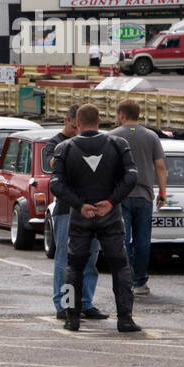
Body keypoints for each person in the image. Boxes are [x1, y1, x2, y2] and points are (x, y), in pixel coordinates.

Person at [50, 104, 141, 333]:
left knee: (73, 267)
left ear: (77, 123)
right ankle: (125, 319)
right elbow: (131, 177)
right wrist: (111, 201)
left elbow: (55, 184)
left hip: (81, 217)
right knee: (120, 266)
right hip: (109, 215)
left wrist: (80, 205)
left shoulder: (65, 147)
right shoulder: (117, 144)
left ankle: (72, 318)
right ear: (99, 122)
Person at [48, 104, 104, 322]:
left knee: (91, 257)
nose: (75, 132)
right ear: (68, 122)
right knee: (65, 260)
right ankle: (64, 303)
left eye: (77, 128)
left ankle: (85, 302)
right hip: (67, 209)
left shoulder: (95, 143)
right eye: (73, 128)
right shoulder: (56, 144)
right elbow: (52, 164)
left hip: (94, 210)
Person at [111, 100, 167, 297]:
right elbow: (160, 166)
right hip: (144, 195)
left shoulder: (112, 136)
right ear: (138, 114)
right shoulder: (151, 136)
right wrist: (162, 192)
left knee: (123, 239)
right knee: (143, 239)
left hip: (120, 195)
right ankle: (140, 281)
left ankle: (124, 278)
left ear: (122, 115)